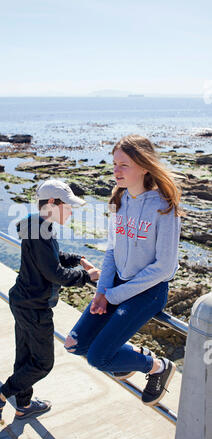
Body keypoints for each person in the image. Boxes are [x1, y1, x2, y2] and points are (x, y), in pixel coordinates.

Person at [64, 134, 184, 407]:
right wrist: (102, 292)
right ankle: (133, 357)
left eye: (124, 165)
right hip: (116, 287)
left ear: (144, 166)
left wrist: (114, 296)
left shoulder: (165, 207)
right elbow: (111, 252)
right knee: (74, 344)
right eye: (114, 164)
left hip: (149, 292)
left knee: (98, 358)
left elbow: (164, 267)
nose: (116, 171)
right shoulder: (119, 201)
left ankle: (158, 367)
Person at [0, 179, 100, 427]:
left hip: (22, 300)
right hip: (35, 307)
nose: (70, 211)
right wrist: (87, 276)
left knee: (25, 358)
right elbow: (54, 274)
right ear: (52, 203)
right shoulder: (42, 229)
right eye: (67, 206)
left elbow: (50, 258)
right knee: (43, 363)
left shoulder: (36, 225)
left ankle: (24, 406)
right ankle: (1, 394)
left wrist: (78, 259)